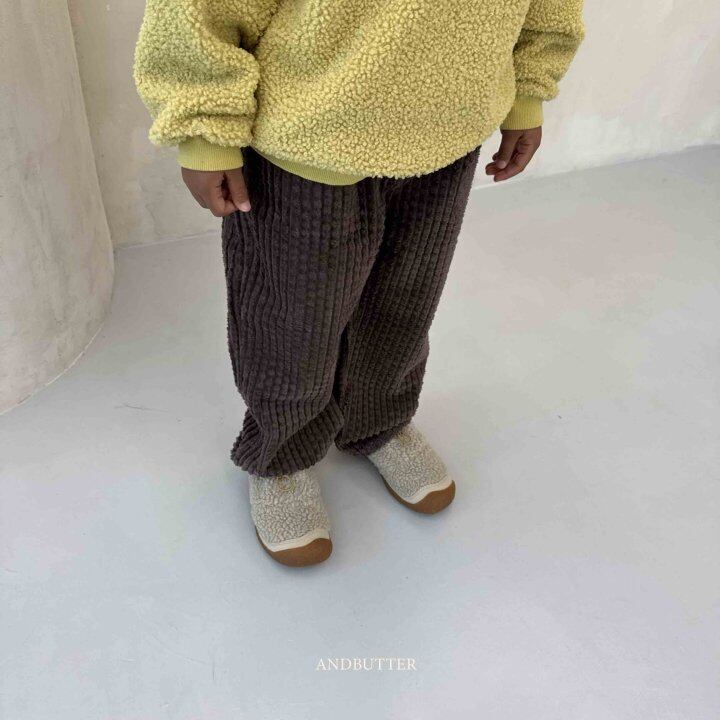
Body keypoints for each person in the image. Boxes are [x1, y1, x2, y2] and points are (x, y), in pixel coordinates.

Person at [133, 0, 585, 567]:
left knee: (406, 296)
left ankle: (379, 418)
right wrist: (204, 128)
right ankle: (283, 453)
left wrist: (526, 88)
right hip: (310, 126)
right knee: (293, 318)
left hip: (451, 122)